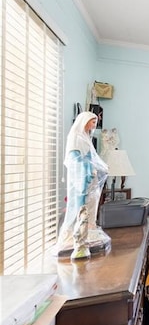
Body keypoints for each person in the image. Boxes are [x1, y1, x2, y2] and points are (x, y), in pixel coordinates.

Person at [56, 111, 110, 259]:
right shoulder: (74, 137)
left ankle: (90, 230)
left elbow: (92, 157)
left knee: (92, 205)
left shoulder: (85, 137)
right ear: (84, 121)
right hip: (82, 176)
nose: (94, 125)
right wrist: (87, 166)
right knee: (82, 207)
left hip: (90, 175)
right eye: (92, 122)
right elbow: (74, 158)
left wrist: (101, 166)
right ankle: (77, 238)